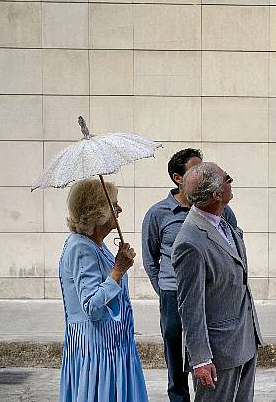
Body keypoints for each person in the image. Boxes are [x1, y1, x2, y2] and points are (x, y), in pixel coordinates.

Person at [143, 148, 238, 402]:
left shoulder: (222, 212)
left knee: (205, 362)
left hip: (209, 296)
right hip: (173, 295)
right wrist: (166, 289)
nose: (204, 174)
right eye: (196, 170)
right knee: (176, 361)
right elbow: (151, 258)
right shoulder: (158, 214)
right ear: (178, 178)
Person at [172, 162, 261, 402]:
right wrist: (200, 358)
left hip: (243, 340)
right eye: (227, 178)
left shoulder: (224, 221)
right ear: (217, 194)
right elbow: (190, 307)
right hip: (218, 353)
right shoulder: (189, 242)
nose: (231, 181)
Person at [58, 179, 148, 402]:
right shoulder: (81, 248)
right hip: (98, 353)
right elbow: (92, 308)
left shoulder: (98, 244)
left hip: (114, 347)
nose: (119, 209)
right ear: (97, 211)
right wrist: (117, 270)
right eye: (113, 204)